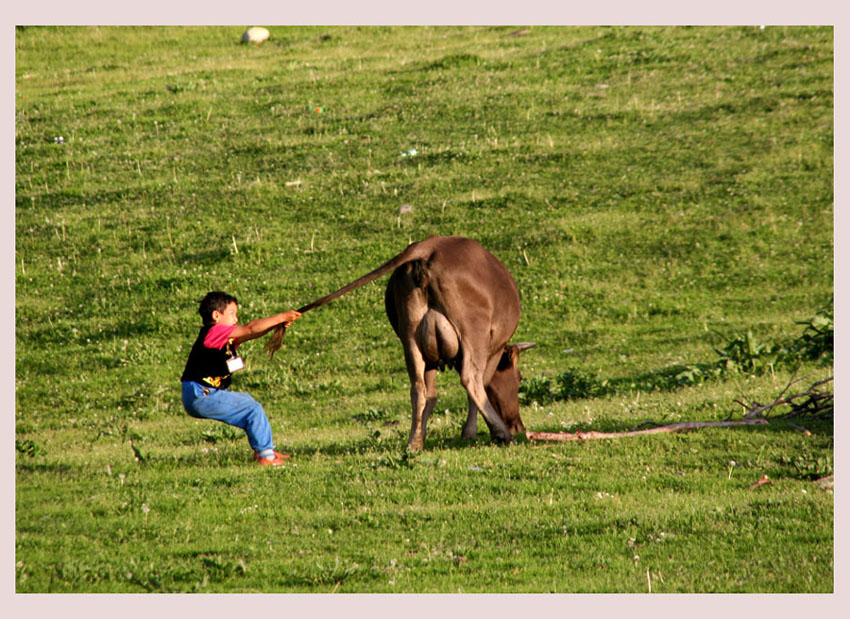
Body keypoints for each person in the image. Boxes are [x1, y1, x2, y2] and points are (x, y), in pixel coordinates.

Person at [180, 291, 301, 466]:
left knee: (248, 404)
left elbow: (252, 333)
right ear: (216, 315)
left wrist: (278, 323)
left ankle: (264, 451)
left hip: (203, 393)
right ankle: (266, 457)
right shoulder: (214, 332)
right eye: (232, 314)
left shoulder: (223, 338)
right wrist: (281, 316)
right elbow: (250, 327)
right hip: (201, 394)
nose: (236, 319)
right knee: (252, 408)